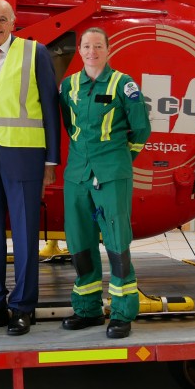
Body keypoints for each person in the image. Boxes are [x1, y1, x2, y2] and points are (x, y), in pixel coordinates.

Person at [0, 0, 61, 336]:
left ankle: (22, 307)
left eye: (3, 19)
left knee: (24, 234)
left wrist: (51, 159)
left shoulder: (36, 53)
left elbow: (50, 107)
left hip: (25, 156)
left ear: (13, 23)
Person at [58, 27, 151, 339]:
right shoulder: (68, 86)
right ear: (80, 50)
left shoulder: (124, 85)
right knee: (79, 243)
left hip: (112, 174)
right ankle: (87, 309)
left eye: (98, 46)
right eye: (86, 46)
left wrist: (119, 163)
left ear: (108, 50)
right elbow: (68, 124)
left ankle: (122, 312)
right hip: (77, 175)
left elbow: (141, 129)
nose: (91, 51)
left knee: (116, 242)